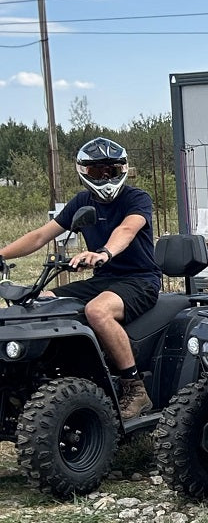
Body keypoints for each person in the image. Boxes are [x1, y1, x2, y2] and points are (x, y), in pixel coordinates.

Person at [0, 137, 162, 419]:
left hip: (139, 279)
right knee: (42, 301)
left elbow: (127, 229)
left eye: (111, 170)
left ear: (122, 170)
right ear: (84, 172)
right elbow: (40, 235)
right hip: (103, 280)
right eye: (97, 171)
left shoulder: (137, 198)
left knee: (97, 310)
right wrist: (2, 254)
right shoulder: (82, 201)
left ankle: (135, 389)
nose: (106, 176)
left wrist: (103, 253)